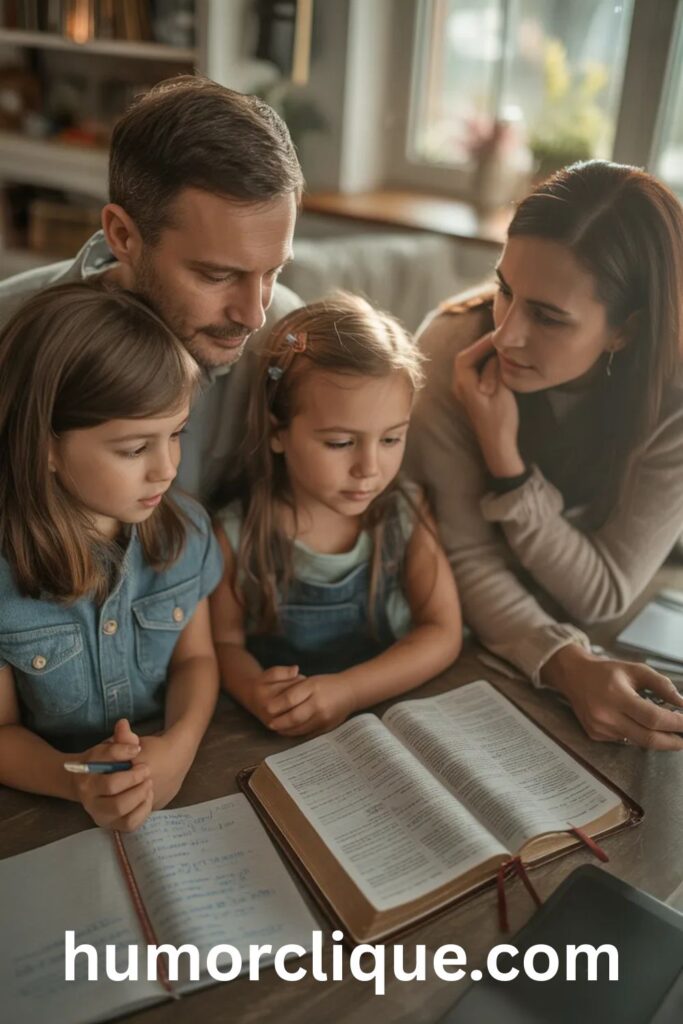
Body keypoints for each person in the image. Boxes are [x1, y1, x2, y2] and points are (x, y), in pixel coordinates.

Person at [406, 160, 683, 751]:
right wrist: (566, 663)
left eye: (549, 316)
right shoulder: (454, 349)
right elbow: (468, 557)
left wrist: (506, 465)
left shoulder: (675, 401)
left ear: (625, 332)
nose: (505, 333)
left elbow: (604, 591)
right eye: (504, 289)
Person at [0, 75, 304, 500]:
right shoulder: (8, 333)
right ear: (123, 235)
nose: (254, 315)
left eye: (273, 271)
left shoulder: (287, 342)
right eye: (217, 276)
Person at [0, 284, 224, 831]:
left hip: (173, 778)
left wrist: (180, 745)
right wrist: (77, 777)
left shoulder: (185, 532)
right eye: (134, 448)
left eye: (176, 434)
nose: (167, 468)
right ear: (45, 445)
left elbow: (197, 661)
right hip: (43, 802)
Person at [209, 294, 462, 736]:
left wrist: (347, 691)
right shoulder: (234, 532)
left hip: (393, 719)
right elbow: (224, 642)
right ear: (278, 432)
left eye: (390, 440)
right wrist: (254, 690)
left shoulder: (405, 513)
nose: (369, 468)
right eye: (341, 443)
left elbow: (442, 632)